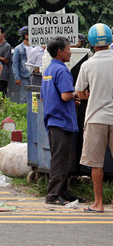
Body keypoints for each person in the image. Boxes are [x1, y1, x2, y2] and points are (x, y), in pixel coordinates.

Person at [76, 23, 113, 213]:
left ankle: (98, 203)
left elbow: (80, 92)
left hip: (96, 117)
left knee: (96, 163)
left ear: (91, 42)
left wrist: (90, 95)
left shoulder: (87, 64)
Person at [40, 36, 80, 206]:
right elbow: (65, 95)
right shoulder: (62, 70)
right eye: (68, 48)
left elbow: (44, 97)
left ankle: (64, 192)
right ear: (60, 52)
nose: (70, 52)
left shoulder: (48, 70)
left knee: (62, 159)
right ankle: (52, 195)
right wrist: (76, 95)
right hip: (62, 121)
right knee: (60, 160)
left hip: (52, 120)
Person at [12, 26, 32, 104]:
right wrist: (16, 77)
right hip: (24, 76)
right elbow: (15, 64)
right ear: (26, 36)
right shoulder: (18, 49)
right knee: (24, 98)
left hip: (34, 75)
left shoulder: (36, 47)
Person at [0, 26, 12, 97]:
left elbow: (7, 60)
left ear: (3, 34)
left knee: (2, 96)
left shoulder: (7, 46)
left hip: (3, 75)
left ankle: (3, 108)